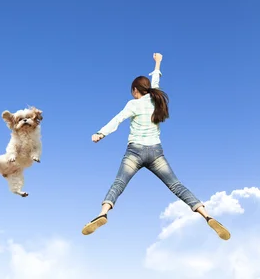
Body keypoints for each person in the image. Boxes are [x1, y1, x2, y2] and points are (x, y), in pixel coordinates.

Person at [81, 53, 230, 240]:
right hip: (156, 153)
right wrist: (158, 62)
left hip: (135, 152)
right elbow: (156, 80)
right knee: (176, 185)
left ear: (135, 90)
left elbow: (117, 119)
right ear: (148, 89)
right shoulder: (155, 99)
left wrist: (100, 133)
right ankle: (207, 215)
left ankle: (103, 214)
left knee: (119, 184)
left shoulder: (133, 104)